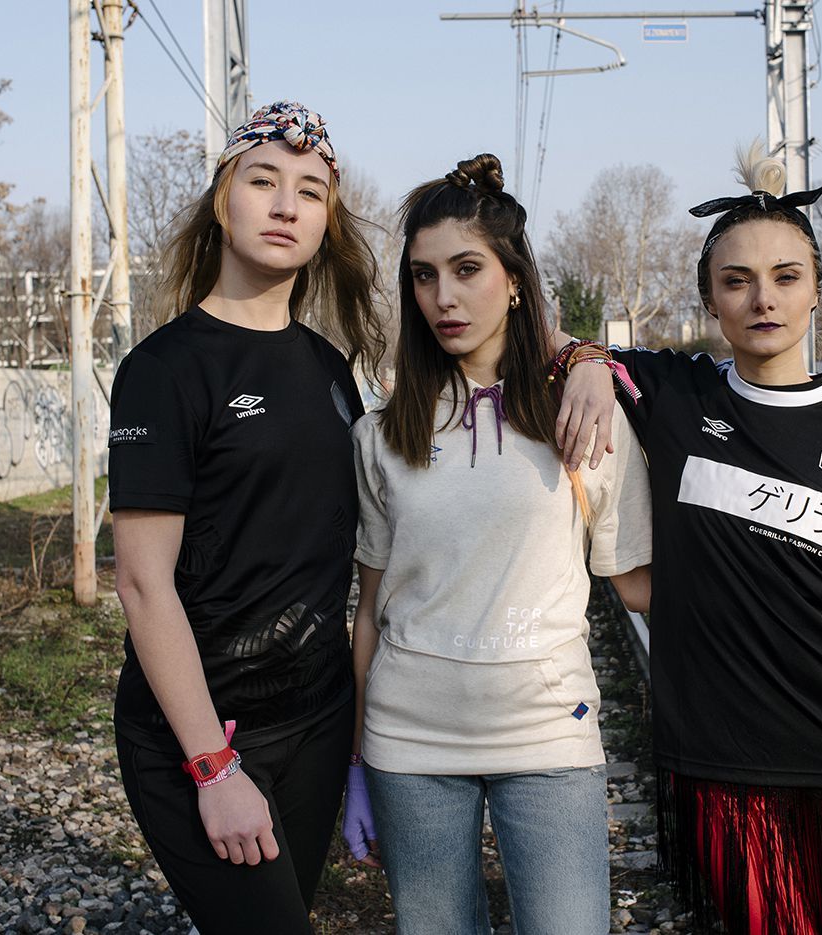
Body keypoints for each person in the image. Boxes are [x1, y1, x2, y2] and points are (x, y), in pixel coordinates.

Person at [557, 142, 822, 935]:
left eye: (785, 276)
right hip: (720, 756)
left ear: (817, 291)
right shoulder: (675, 395)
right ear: (710, 299)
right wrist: (588, 357)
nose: (763, 298)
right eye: (736, 280)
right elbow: (533, 328)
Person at [341, 154, 653, 935]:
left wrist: (794, 580)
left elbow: (640, 584)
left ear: (514, 280)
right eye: (423, 276)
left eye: (467, 269)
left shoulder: (582, 415)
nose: (443, 297)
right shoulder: (381, 435)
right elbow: (370, 611)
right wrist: (356, 761)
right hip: (409, 742)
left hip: (548, 734)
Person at [107, 101, 386, 934]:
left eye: (310, 191)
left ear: (327, 224)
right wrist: (213, 766)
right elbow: (142, 583)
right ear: (223, 201)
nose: (285, 205)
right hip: (203, 733)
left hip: (315, 723)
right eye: (263, 181)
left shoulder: (331, 369)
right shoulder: (164, 370)